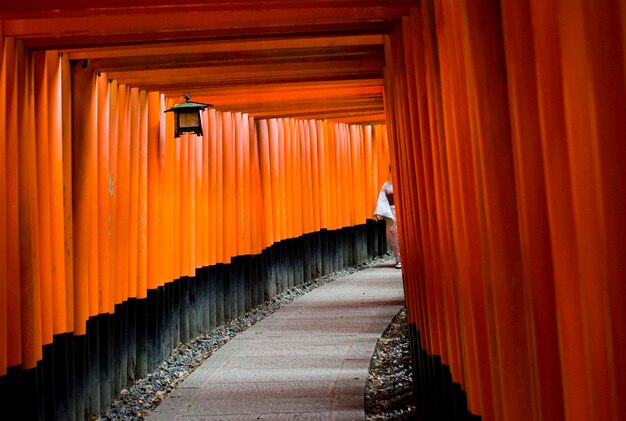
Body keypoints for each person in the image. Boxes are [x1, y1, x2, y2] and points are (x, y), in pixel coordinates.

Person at [374, 179, 401, 269]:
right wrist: (380, 211)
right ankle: (399, 260)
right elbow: (382, 199)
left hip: (403, 209)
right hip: (391, 213)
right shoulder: (387, 185)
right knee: (393, 235)